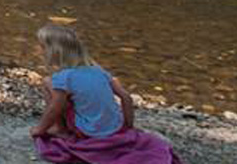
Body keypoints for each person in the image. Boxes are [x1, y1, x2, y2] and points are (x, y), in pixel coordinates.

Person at [30, 24, 180, 163]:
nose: (36, 48)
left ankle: (60, 128)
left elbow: (55, 108)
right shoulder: (100, 72)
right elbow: (126, 97)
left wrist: (40, 129)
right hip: (117, 127)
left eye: (40, 46)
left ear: (53, 51)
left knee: (47, 83)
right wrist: (128, 127)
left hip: (88, 132)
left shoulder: (63, 78)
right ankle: (75, 126)